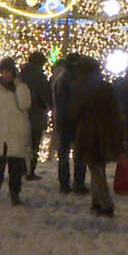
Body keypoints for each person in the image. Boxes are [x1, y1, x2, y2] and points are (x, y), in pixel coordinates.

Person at [72, 57, 125, 217]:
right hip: (103, 134)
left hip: (90, 135)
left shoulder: (82, 89)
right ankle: (96, 202)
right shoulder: (104, 87)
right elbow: (115, 112)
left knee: (96, 170)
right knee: (97, 168)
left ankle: (106, 204)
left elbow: (75, 112)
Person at [0, 58, 31, 205]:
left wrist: (20, 88)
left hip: (16, 132)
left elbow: (25, 105)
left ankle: (14, 194)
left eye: (9, 71)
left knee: (15, 166)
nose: (7, 75)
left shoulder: (21, 87)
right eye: (4, 71)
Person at [51, 54, 88, 194]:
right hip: (77, 122)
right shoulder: (80, 80)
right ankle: (79, 183)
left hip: (63, 121)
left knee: (64, 154)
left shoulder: (60, 79)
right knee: (79, 155)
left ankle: (64, 184)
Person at [18, 51, 51, 181]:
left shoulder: (20, 75)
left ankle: (20, 169)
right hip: (36, 115)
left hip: (20, 116)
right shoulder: (40, 77)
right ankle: (30, 171)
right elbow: (45, 96)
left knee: (21, 145)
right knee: (34, 145)